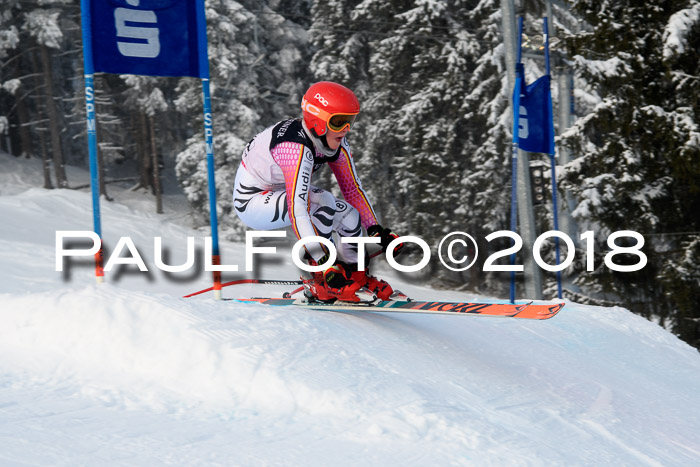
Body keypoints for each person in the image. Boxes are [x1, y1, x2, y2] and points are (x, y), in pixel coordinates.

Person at [233, 81, 403, 302]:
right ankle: (320, 282)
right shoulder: (294, 147)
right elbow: (298, 210)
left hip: (280, 193)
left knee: (349, 217)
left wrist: (375, 229)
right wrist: (324, 263)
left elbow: (352, 188)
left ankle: (355, 278)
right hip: (253, 201)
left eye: (350, 121)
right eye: (339, 122)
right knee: (323, 201)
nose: (346, 129)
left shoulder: (333, 140)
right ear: (318, 121)